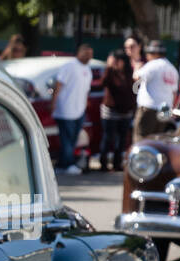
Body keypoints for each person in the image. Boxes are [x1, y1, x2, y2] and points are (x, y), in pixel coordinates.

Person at [50, 43, 92, 174]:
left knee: (73, 139)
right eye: (86, 53)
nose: (88, 56)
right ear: (79, 52)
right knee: (67, 139)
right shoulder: (69, 66)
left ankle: (62, 164)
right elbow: (59, 84)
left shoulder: (88, 69)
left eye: (90, 54)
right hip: (66, 110)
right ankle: (67, 164)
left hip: (79, 110)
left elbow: (86, 91)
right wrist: (54, 103)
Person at [133, 39, 178, 140]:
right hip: (165, 110)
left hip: (149, 108)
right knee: (158, 141)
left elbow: (137, 77)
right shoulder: (172, 69)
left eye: (148, 53)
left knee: (142, 141)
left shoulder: (153, 65)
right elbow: (174, 93)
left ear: (154, 53)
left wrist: (136, 67)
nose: (147, 56)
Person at [99, 48, 135, 171]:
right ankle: (103, 163)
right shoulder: (110, 72)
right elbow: (102, 83)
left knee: (122, 138)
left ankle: (117, 163)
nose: (117, 63)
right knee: (108, 137)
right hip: (111, 111)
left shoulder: (129, 73)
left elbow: (133, 90)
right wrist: (109, 67)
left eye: (118, 61)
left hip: (126, 111)